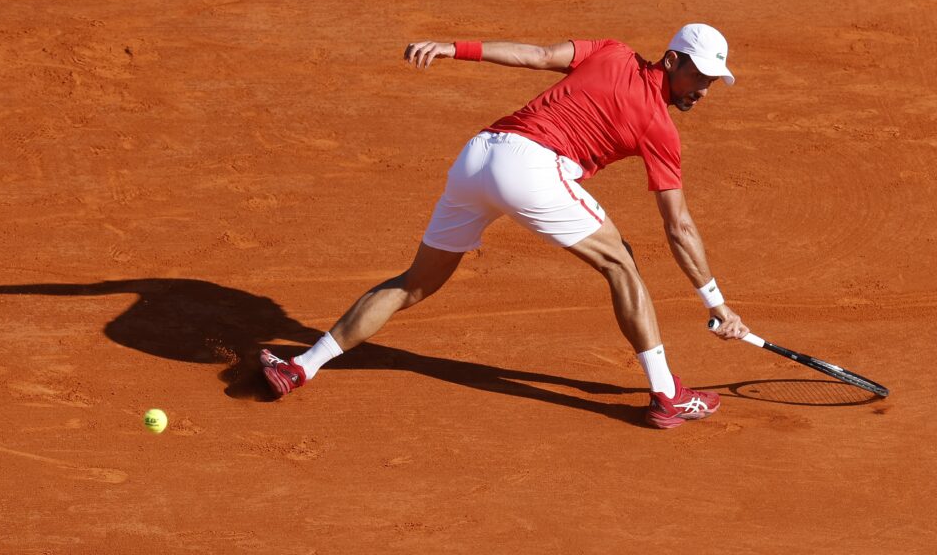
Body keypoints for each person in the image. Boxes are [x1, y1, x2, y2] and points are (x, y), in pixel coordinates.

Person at [261, 23, 751, 429]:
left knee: (414, 284)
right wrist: (716, 304)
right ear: (672, 60)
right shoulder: (660, 128)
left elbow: (538, 55)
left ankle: (301, 367)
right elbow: (678, 226)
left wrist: (454, 48)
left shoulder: (612, 51)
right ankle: (666, 395)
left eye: (712, 81)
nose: (703, 90)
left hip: (478, 157)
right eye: (699, 76)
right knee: (621, 263)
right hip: (532, 169)